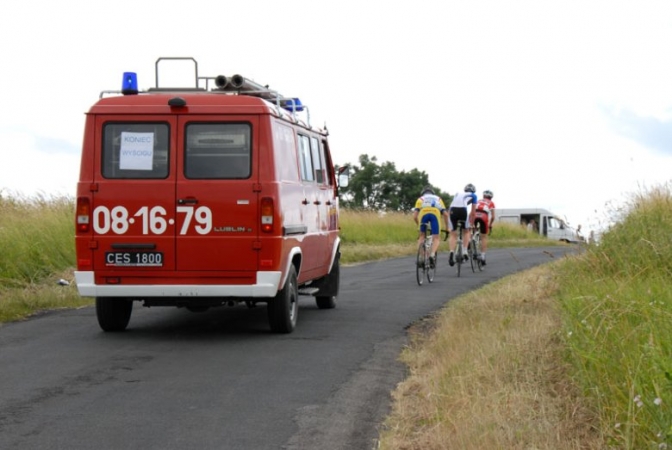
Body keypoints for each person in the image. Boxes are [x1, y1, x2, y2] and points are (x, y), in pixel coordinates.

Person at [413, 186, 449, 268]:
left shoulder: (420, 199)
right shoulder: (438, 199)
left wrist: (419, 226)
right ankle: (432, 255)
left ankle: (422, 257)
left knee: (421, 236)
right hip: (435, 213)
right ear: (433, 193)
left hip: (423, 213)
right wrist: (447, 228)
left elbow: (414, 216)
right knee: (436, 237)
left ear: (423, 193)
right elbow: (446, 214)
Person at [448, 183, 477, 266]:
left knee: (453, 234)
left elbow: (450, 207)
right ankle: (464, 251)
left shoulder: (457, 194)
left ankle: (451, 254)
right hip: (462, 210)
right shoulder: (473, 195)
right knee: (466, 231)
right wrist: (472, 224)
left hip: (452, 210)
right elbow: (473, 213)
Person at [473, 190, 496, 265]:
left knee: (472, 230)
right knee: (484, 237)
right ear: (491, 197)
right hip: (484, 216)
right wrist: (490, 224)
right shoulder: (491, 203)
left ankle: (471, 243)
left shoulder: (478, 200)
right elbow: (493, 217)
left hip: (475, 214)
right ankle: (482, 256)